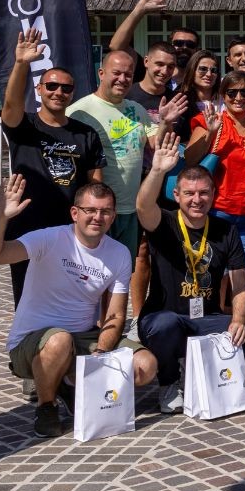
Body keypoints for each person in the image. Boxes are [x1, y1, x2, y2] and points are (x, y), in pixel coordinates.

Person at [0, 177, 157, 438]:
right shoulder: (49, 239)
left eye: (105, 211)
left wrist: (104, 352)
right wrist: (0, 217)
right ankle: (46, 406)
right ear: (75, 213)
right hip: (31, 342)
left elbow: (116, 314)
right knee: (59, 341)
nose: (98, 217)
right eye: (90, 210)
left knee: (146, 365)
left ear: (113, 216)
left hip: (83, 337)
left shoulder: (119, 252)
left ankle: (69, 381)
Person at [135, 134, 245, 414]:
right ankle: (169, 380)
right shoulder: (164, 222)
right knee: (165, 326)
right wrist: (157, 170)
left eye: (204, 193)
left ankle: (200, 368)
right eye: (190, 193)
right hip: (164, 317)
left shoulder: (225, 230)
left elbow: (240, 283)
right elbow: (143, 207)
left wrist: (240, 320)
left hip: (204, 319)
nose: (197, 199)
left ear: (213, 194)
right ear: (176, 195)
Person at [69, 48, 185, 321]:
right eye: (116, 73)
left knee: (120, 271)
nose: (122, 79)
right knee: (92, 272)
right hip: (98, 211)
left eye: (127, 74)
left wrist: (166, 121)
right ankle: (89, 325)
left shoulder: (136, 110)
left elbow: (156, 143)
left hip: (130, 209)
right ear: (101, 73)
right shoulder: (79, 111)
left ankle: (112, 325)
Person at [0, 29, 104, 308]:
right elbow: (10, 104)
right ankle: (29, 348)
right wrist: (22, 63)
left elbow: (95, 186)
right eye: (51, 86)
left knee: (73, 298)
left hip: (70, 231)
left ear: (72, 94)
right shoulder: (24, 126)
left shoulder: (86, 134)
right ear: (39, 89)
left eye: (66, 88)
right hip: (27, 227)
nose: (58, 92)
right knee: (27, 299)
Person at [185, 71, 245, 278]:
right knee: (218, 273)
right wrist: (210, 133)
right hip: (220, 210)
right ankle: (219, 311)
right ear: (222, 94)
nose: (238, 98)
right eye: (232, 92)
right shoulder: (210, 120)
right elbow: (190, 160)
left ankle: (243, 312)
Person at [126, 41, 180, 137]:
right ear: (146, 61)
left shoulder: (177, 101)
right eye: (159, 64)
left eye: (170, 67)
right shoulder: (126, 95)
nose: (164, 71)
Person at [179, 49, 222, 122]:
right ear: (192, 71)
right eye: (203, 69)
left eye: (214, 70)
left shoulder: (226, 100)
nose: (209, 74)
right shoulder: (182, 102)